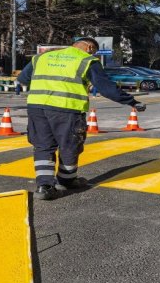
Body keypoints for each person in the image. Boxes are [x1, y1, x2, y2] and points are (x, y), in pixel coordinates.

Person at [18, 37, 146, 200]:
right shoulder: (87, 60)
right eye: (95, 52)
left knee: (43, 146)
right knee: (70, 145)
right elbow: (107, 89)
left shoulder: (42, 57)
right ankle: (67, 180)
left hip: (36, 107)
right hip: (67, 108)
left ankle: (45, 187)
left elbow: (23, 79)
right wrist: (132, 101)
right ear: (90, 48)